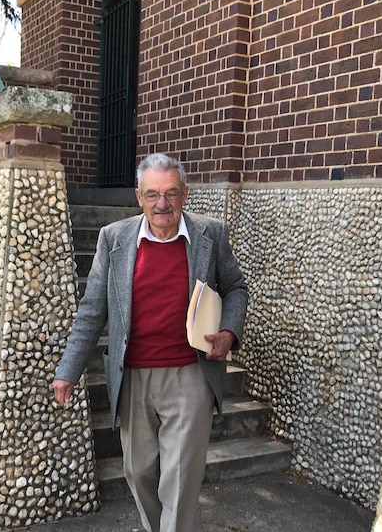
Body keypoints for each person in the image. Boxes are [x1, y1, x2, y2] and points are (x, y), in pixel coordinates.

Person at [52, 152, 248, 532]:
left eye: (172, 193)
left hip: (190, 374)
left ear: (185, 194)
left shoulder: (210, 234)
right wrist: (68, 371)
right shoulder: (115, 239)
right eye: (153, 194)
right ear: (138, 196)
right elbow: (93, 309)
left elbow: (236, 287)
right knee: (138, 470)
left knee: (179, 477)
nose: (163, 204)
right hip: (133, 376)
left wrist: (228, 331)